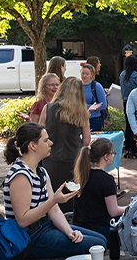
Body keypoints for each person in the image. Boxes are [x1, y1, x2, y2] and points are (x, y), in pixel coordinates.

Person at [2, 123, 107, 258]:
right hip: (29, 237)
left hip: (45, 227)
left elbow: (55, 210)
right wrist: (53, 201)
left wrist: (69, 232)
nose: (51, 143)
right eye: (46, 140)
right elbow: (22, 220)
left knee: (102, 240)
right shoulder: (20, 175)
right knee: (98, 245)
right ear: (32, 146)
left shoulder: (41, 171)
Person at [43, 77, 92, 212]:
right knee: (70, 196)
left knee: (51, 196)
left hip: (50, 158)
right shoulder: (82, 112)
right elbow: (86, 141)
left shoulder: (48, 108)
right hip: (73, 159)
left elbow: (39, 133)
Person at [72, 139, 126, 260]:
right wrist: (130, 207)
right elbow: (113, 211)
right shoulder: (106, 180)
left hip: (80, 226)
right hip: (100, 230)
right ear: (105, 157)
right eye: (113, 153)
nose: (113, 155)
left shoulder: (82, 175)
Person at [120, 55, 137, 158]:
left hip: (125, 102)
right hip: (135, 102)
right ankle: (133, 149)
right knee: (134, 126)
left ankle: (128, 147)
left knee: (128, 125)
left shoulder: (122, 75)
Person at [81, 63, 108, 131]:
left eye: (87, 74)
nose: (84, 76)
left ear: (91, 75)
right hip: (80, 119)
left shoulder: (97, 86)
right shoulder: (77, 86)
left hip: (94, 119)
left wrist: (87, 107)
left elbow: (103, 105)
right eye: (83, 73)